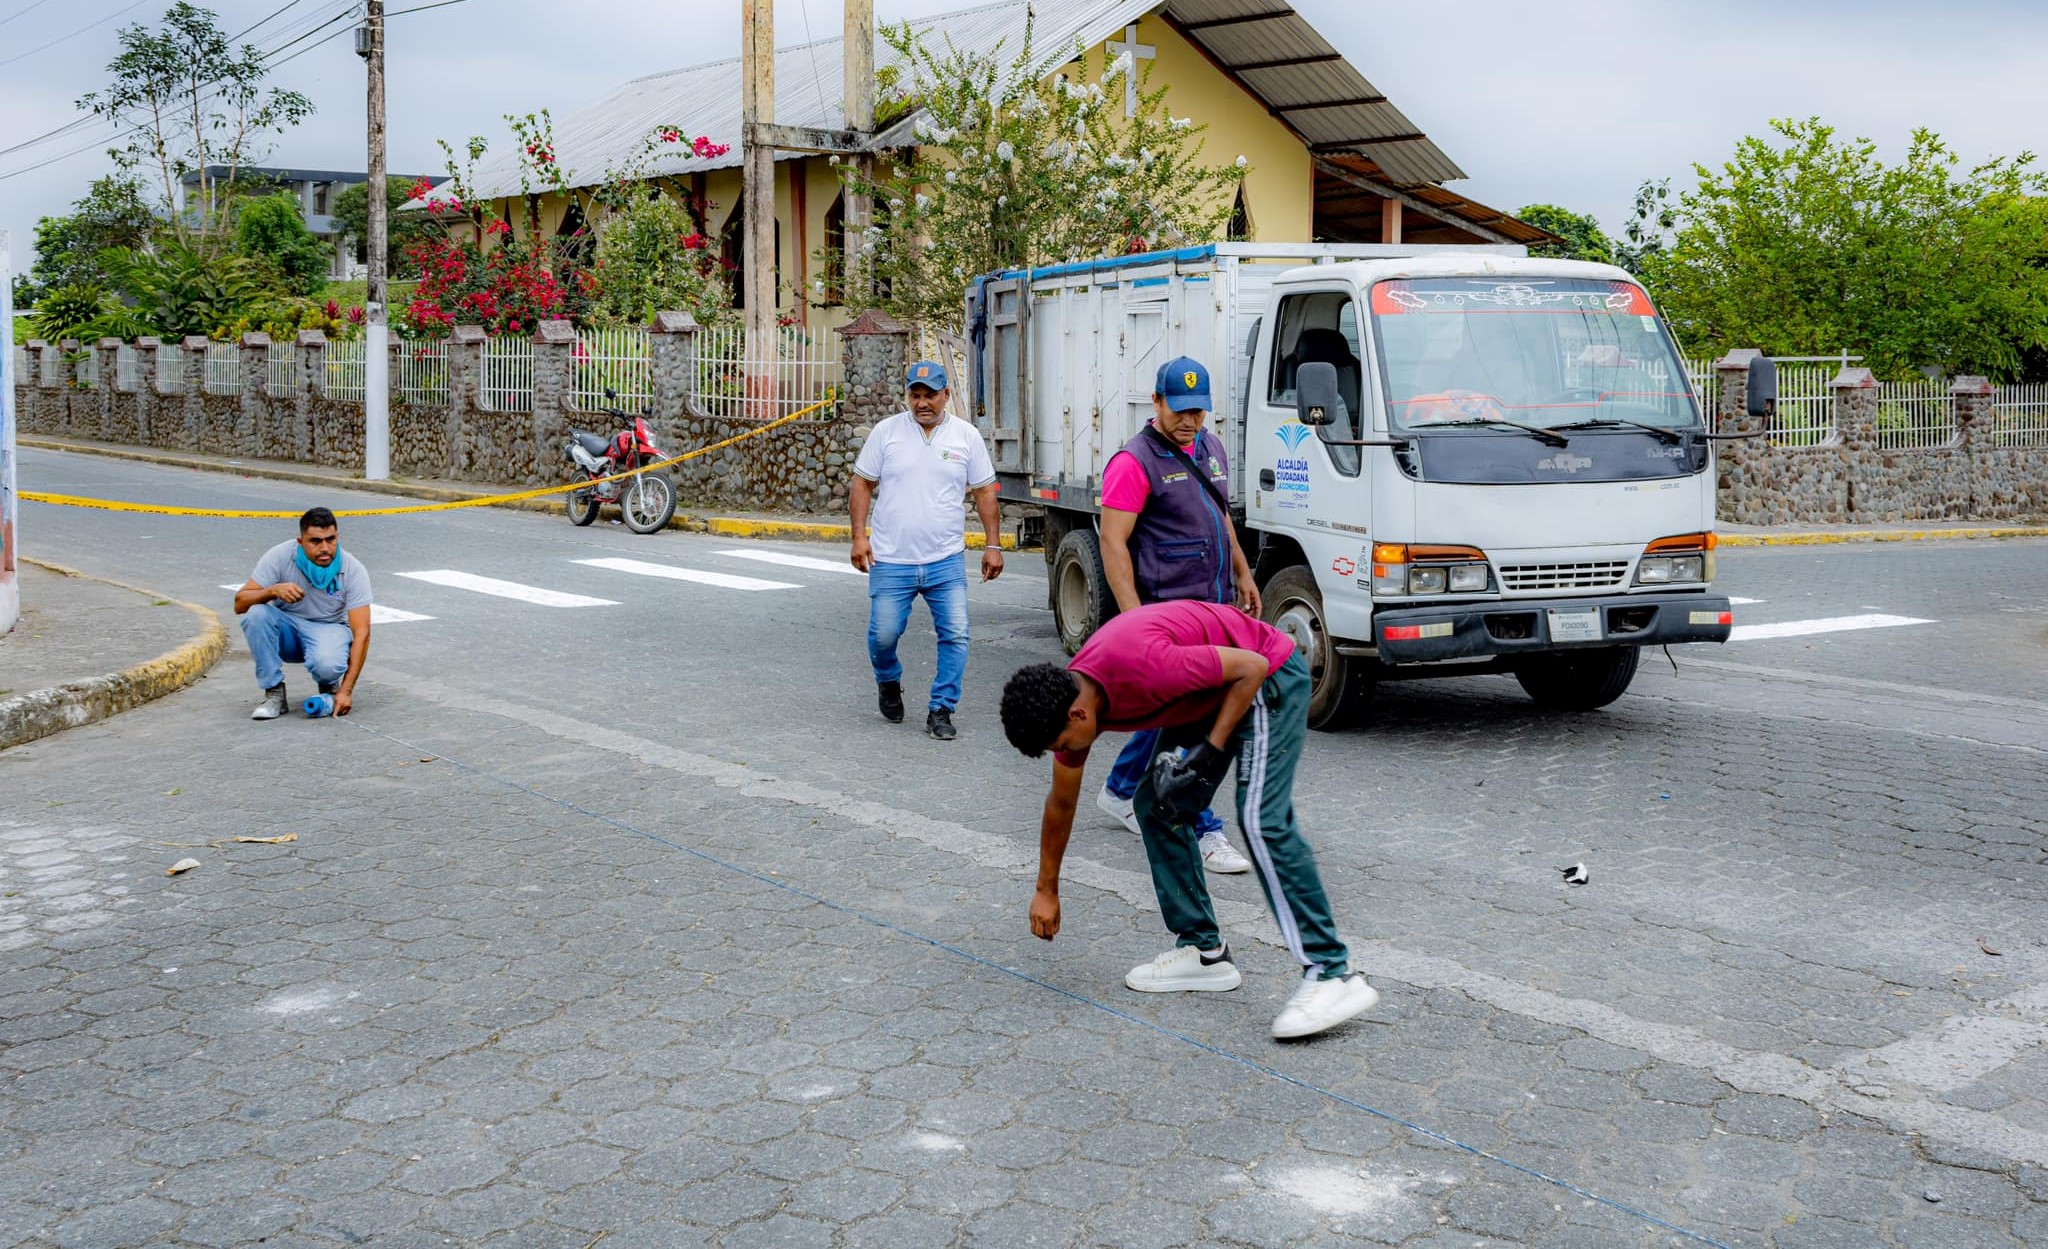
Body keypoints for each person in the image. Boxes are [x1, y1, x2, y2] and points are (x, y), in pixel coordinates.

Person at [1000, 600, 1378, 1040]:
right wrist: (1046, 889)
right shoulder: (1073, 698)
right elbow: (1061, 802)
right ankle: (1204, 952)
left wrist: (1209, 752)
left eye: (1062, 744)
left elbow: (1252, 667)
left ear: (1077, 714)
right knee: (1158, 805)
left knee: (1261, 820)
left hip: (1267, 678)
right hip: (1212, 692)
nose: (1065, 754)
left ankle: (1332, 973)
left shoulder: (1142, 666)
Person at [1094, 356, 1258, 876]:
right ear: (1157, 401)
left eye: (1198, 411)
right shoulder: (1133, 461)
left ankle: (1120, 789)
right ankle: (1202, 827)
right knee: (1195, 717)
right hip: (1165, 614)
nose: (1189, 421)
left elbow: (1221, 516)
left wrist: (1243, 571)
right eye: (1179, 410)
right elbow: (1113, 543)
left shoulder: (1211, 448)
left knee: (1171, 712)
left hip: (1212, 606)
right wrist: (1134, 624)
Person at [849, 360, 1003, 741]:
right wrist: (858, 537)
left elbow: (985, 492)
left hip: (944, 560)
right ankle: (888, 680)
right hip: (892, 559)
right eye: (915, 395)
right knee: (883, 635)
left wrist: (993, 545)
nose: (922, 403)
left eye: (930, 395)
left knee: (956, 634)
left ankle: (941, 708)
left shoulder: (966, 437)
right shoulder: (887, 433)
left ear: (946, 395)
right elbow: (862, 484)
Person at [234, 507, 372, 720]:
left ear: (337, 537)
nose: (324, 548)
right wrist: (271, 591)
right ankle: (274, 693)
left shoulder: (352, 569)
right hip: (288, 631)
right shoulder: (280, 556)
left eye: (330, 539)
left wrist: (346, 691)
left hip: (329, 628)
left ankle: (329, 684)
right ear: (300, 541)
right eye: (315, 541)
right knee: (256, 615)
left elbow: (362, 632)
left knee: (328, 664)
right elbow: (239, 604)